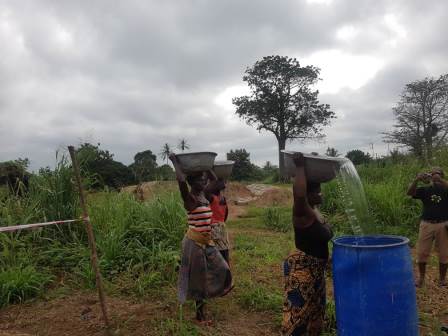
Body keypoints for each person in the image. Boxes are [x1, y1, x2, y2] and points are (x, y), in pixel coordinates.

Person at [169, 154, 233, 324]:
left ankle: (215, 292)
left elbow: (219, 182)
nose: (204, 182)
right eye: (199, 180)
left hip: (206, 242)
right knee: (199, 281)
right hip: (194, 244)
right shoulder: (190, 199)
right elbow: (181, 182)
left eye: (204, 180)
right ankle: (200, 316)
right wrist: (176, 163)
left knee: (224, 268)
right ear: (191, 182)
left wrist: (206, 168)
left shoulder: (204, 195)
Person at [282, 152, 333, 336]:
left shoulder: (315, 211)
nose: (321, 193)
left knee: (315, 313)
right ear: (309, 194)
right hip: (302, 270)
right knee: (297, 315)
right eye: (317, 190)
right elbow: (299, 195)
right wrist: (301, 167)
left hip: (317, 270)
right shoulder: (301, 211)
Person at [407, 167, 448, 287]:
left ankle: (442, 280)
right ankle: (421, 279)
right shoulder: (425, 190)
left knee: (444, 254)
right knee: (422, 253)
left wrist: (441, 180)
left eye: (438, 173)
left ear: (442, 176)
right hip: (426, 224)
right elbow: (410, 193)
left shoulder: (445, 188)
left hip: (443, 224)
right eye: (432, 173)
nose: (434, 175)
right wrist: (416, 180)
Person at [205, 178, 231, 265]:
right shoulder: (223, 199)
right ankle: (226, 272)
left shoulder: (212, 198)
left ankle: (218, 273)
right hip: (222, 226)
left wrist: (210, 176)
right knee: (224, 251)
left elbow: (205, 190)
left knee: (215, 252)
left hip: (214, 227)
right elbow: (226, 214)